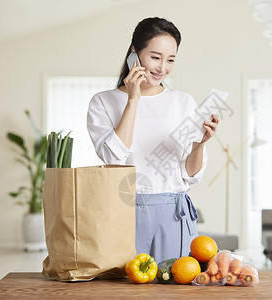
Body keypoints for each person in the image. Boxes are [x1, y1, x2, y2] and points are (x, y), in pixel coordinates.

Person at [87, 17, 219, 263]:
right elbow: (114, 157)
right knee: (125, 289)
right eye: (155, 57)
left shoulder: (183, 102)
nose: (162, 68)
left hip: (173, 214)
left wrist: (200, 144)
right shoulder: (102, 102)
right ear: (134, 55)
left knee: (174, 286)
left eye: (170, 60)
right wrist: (133, 100)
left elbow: (191, 174)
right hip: (123, 211)